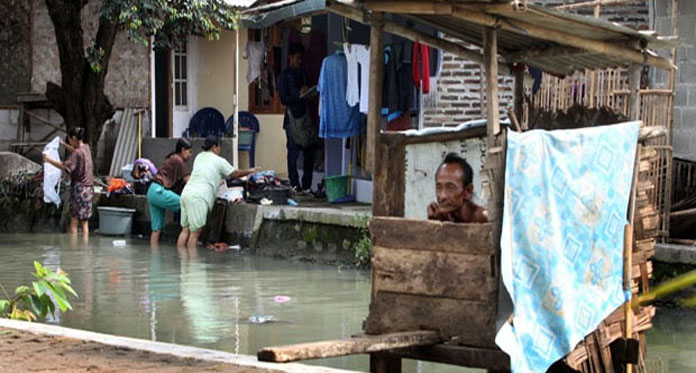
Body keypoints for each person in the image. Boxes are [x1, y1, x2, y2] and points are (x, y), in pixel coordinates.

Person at [177, 135, 259, 248]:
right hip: (199, 197)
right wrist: (250, 171)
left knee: (185, 231)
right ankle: (193, 264)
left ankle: (182, 261)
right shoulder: (219, 161)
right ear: (215, 147)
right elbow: (235, 174)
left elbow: (207, 173)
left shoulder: (199, 157)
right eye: (219, 147)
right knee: (195, 234)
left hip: (186, 193)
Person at [278, 42, 316, 193]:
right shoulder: (284, 76)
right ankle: (295, 184)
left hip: (304, 117)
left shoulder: (303, 74)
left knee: (310, 151)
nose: (300, 62)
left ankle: (307, 185)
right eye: (298, 59)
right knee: (293, 152)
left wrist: (308, 94)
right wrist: (298, 95)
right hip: (291, 118)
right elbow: (283, 99)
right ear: (291, 58)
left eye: (302, 59)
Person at [43, 127, 94, 236]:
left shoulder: (76, 154)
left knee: (74, 222)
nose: (70, 142)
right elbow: (76, 152)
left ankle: (73, 251)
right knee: (85, 222)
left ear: (74, 138)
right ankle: (85, 250)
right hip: (89, 190)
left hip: (79, 190)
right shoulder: (86, 148)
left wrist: (48, 160)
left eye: (70, 140)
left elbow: (64, 166)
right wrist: (63, 144)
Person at [147, 138, 192, 245]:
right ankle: (188, 241)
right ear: (182, 150)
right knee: (186, 205)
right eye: (189, 152)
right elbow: (188, 180)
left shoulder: (171, 158)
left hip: (152, 191)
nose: (190, 155)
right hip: (159, 191)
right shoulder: (178, 160)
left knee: (156, 229)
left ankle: (154, 257)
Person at [427, 152, 488, 223]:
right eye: (439, 187)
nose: (442, 196)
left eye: (450, 188)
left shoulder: (484, 219)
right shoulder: (445, 216)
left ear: (468, 191)